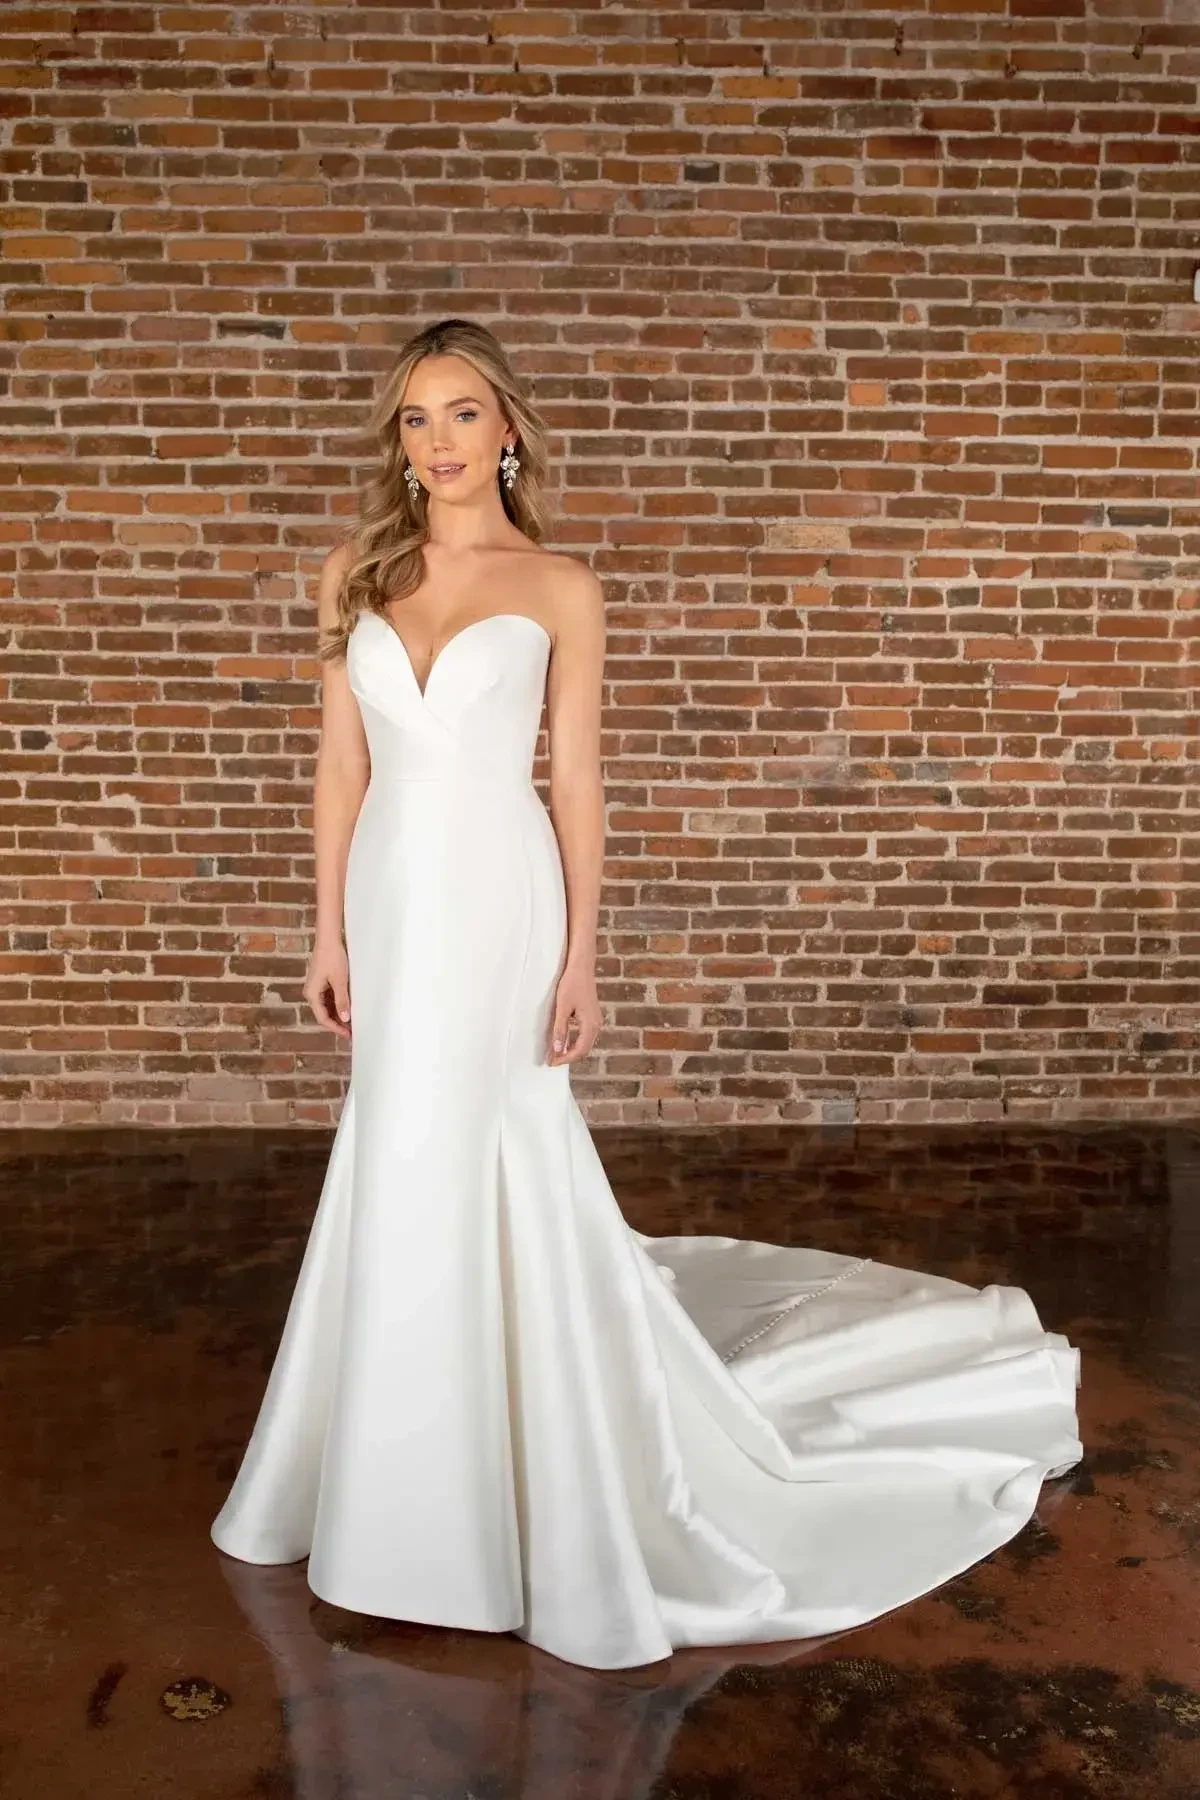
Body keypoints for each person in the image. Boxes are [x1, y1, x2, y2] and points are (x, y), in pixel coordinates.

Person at [211, 317, 1083, 1672]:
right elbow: (339, 771)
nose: (435, 443)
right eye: (413, 420)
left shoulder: (559, 584)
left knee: (497, 1136)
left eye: (460, 415)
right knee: (399, 1144)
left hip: (502, 895)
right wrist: (322, 930)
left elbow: (577, 779)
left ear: (509, 431)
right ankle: (390, 1472)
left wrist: (583, 955)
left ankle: (515, 1479)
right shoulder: (354, 574)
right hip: (390, 897)